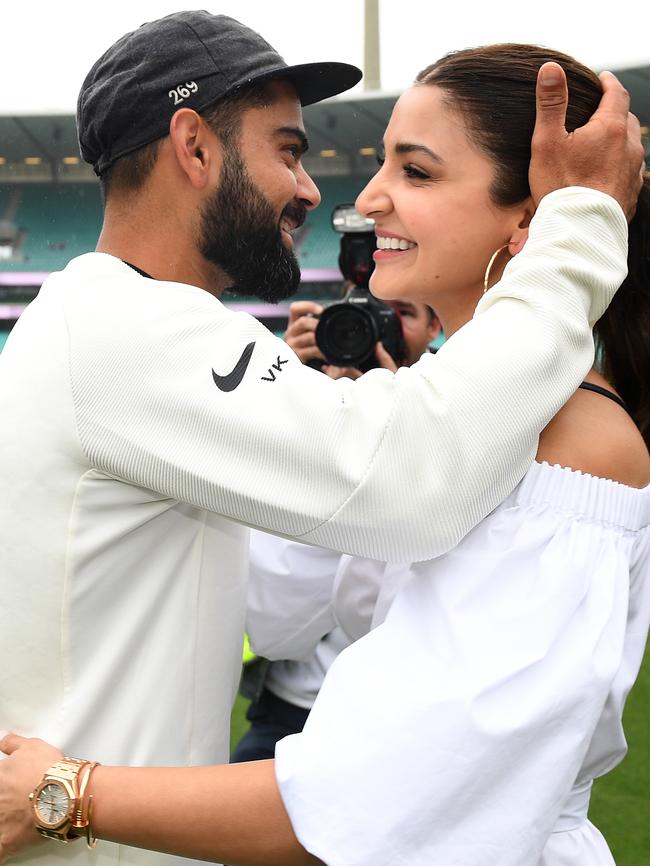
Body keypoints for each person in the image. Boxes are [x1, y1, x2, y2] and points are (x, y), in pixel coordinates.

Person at [0, 21, 646, 866]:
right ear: (194, 147)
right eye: (289, 149)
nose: (339, 194)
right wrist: (579, 232)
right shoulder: (128, 329)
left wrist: (73, 792)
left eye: (412, 169)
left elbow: (302, 643)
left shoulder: (566, 439)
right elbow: (382, 510)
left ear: (525, 217)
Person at [233, 300, 442, 763]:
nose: (371, 331)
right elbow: (269, 610)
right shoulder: (306, 395)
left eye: (400, 316)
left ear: (435, 328)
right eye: (362, 316)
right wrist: (280, 384)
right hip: (289, 701)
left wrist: (384, 421)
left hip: (389, 716)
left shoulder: (448, 412)